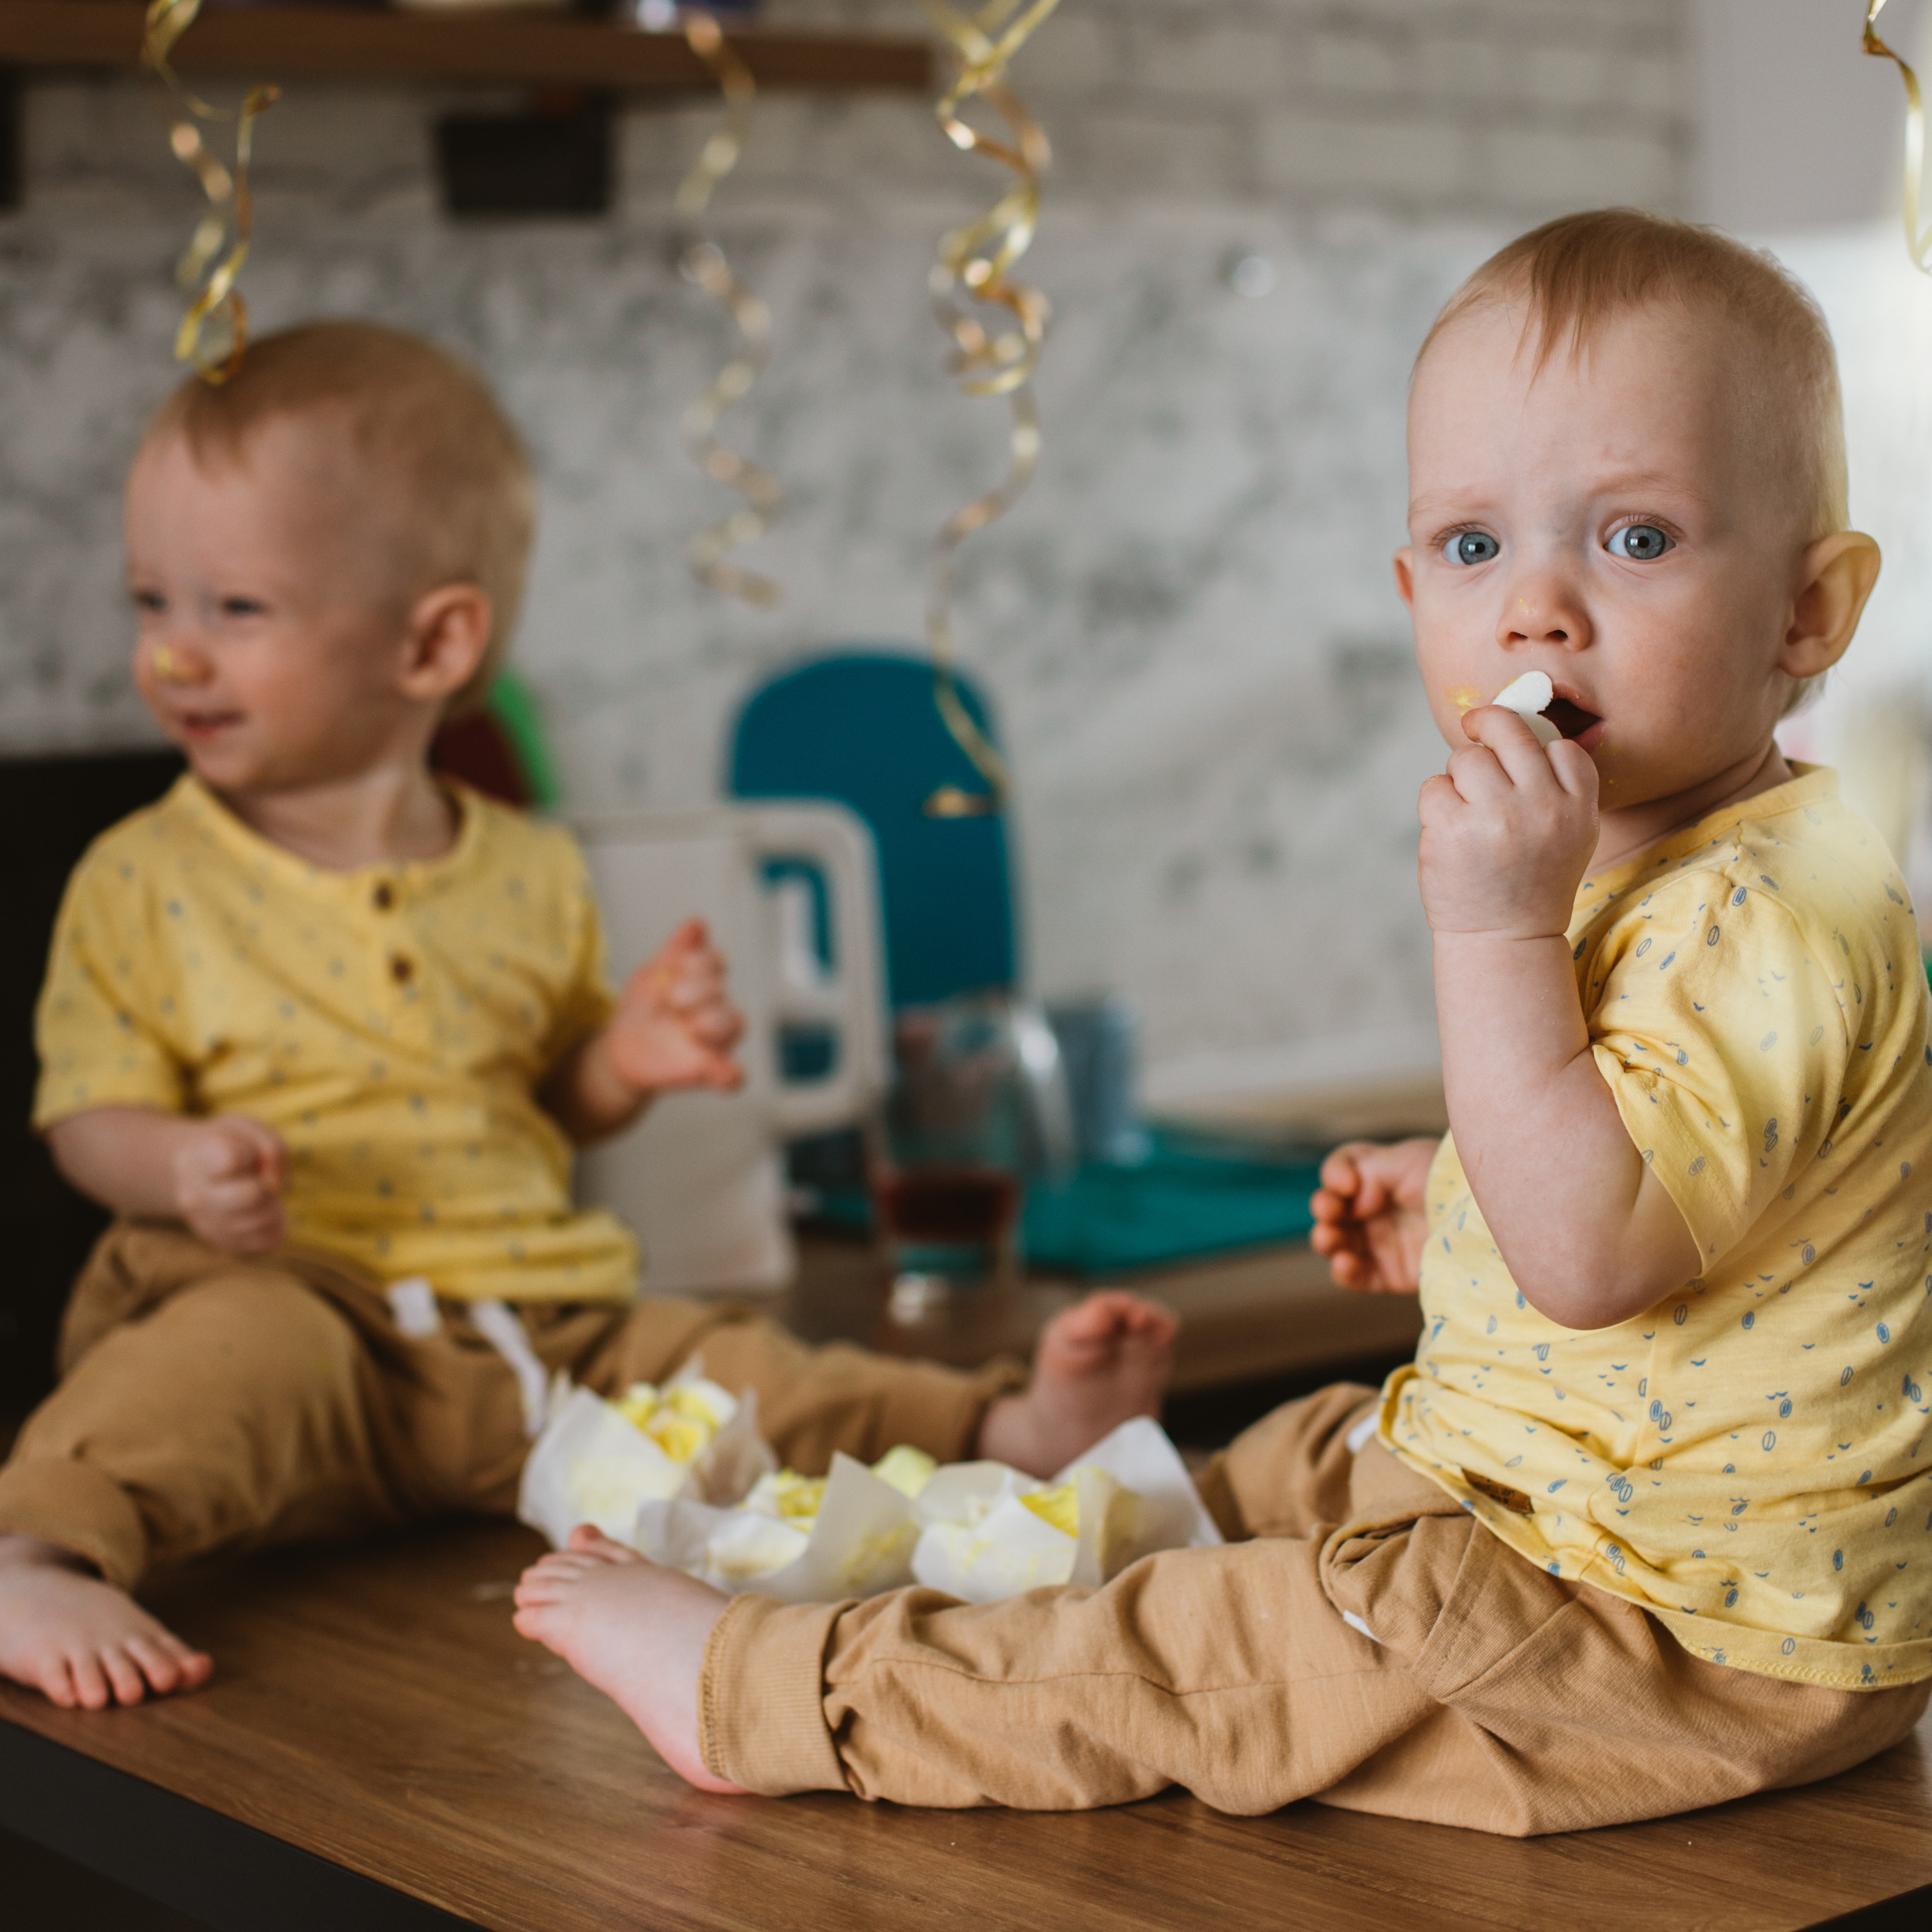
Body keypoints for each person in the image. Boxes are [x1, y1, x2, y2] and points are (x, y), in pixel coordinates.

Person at [512, 210, 1932, 1832]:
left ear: (1806, 615)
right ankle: (994, 1536)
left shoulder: (1761, 913)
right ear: (1410, 591)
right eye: (1473, 548)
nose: (1534, 611)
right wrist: (1461, 1199)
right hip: (1562, 1499)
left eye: (1633, 539)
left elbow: (1593, 1256)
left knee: (1205, 1647)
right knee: (1282, 1464)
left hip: (1674, 1632)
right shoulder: (1695, 860)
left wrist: (1487, 926)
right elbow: (1676, 1177)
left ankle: (771, 1692)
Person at [0, 321, 1177, 1712]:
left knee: (731, 1370)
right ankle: (36, 1550)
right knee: (202, 1375)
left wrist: (620, 1064)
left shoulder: (532, 871)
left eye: (233, 611)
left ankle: (1006, 1422)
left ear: (435, 641)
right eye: (154, 603)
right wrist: (174, 1168)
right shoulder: (144, 877)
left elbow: (541, 1100)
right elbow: (85, 1114)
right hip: (294, 1298)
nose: (174, 658)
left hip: (536, 1326)